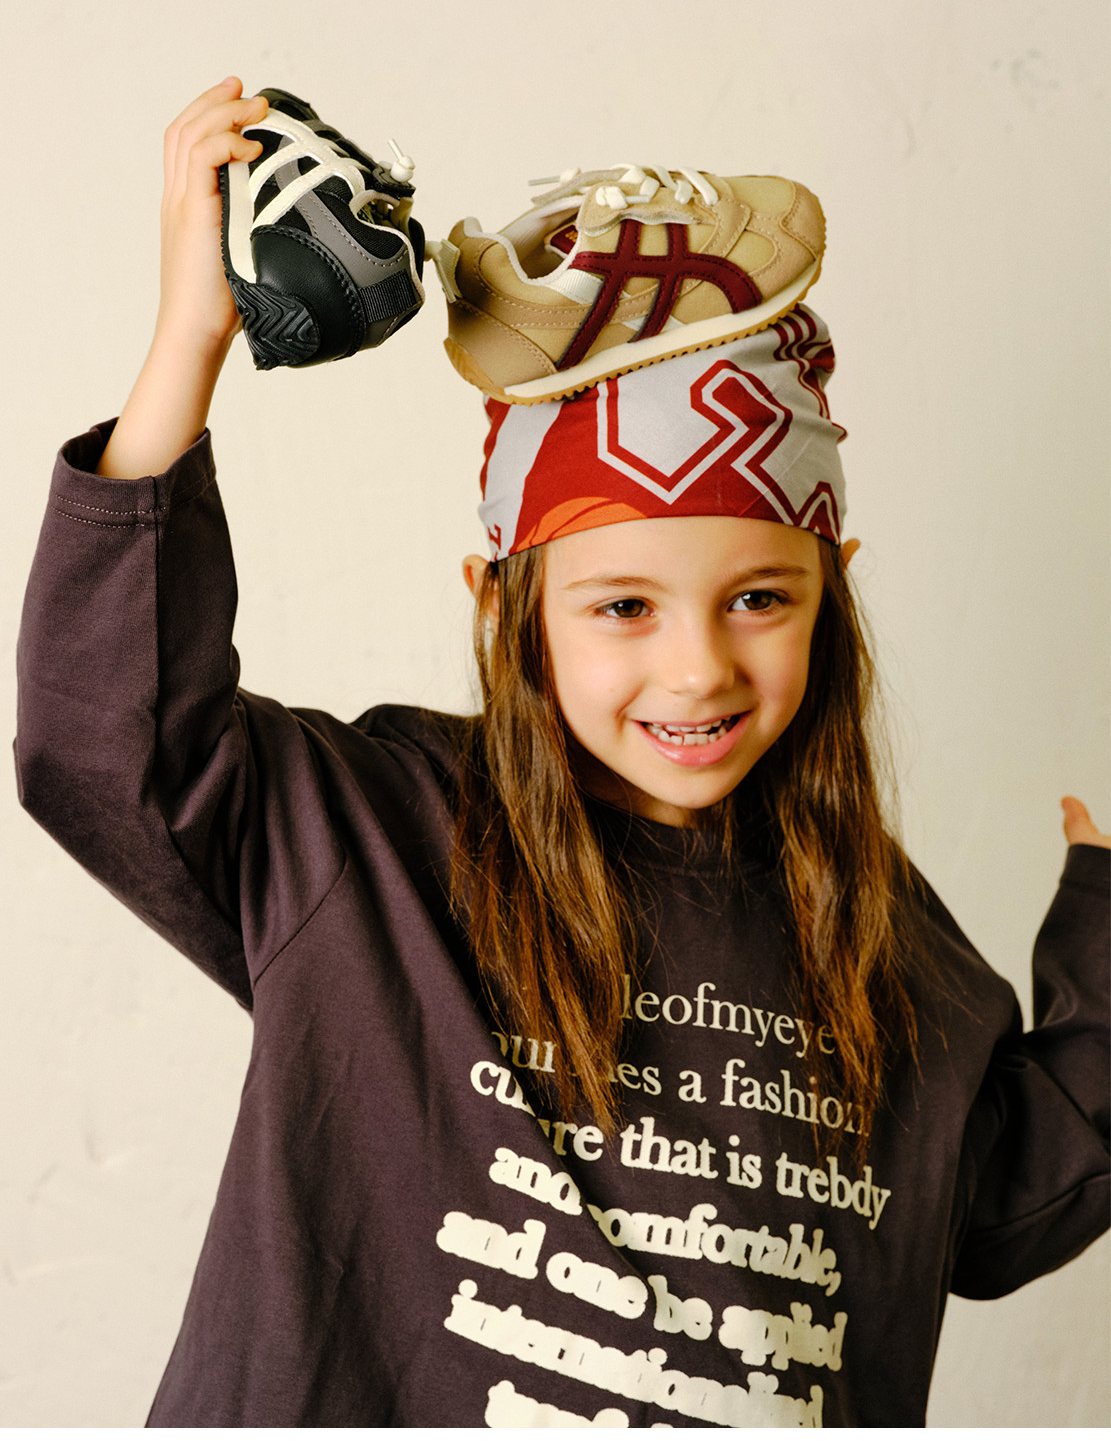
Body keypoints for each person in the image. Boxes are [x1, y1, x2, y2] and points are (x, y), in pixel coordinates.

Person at [15, 79, 1109, 1427]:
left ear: (832, 594)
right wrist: (189, 345)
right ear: (506, 606)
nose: (698, 666)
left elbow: (1001, 1196)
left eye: (759, 598)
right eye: (623, 607)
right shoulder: (376, 838)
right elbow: (106, 742)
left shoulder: (867, 921)